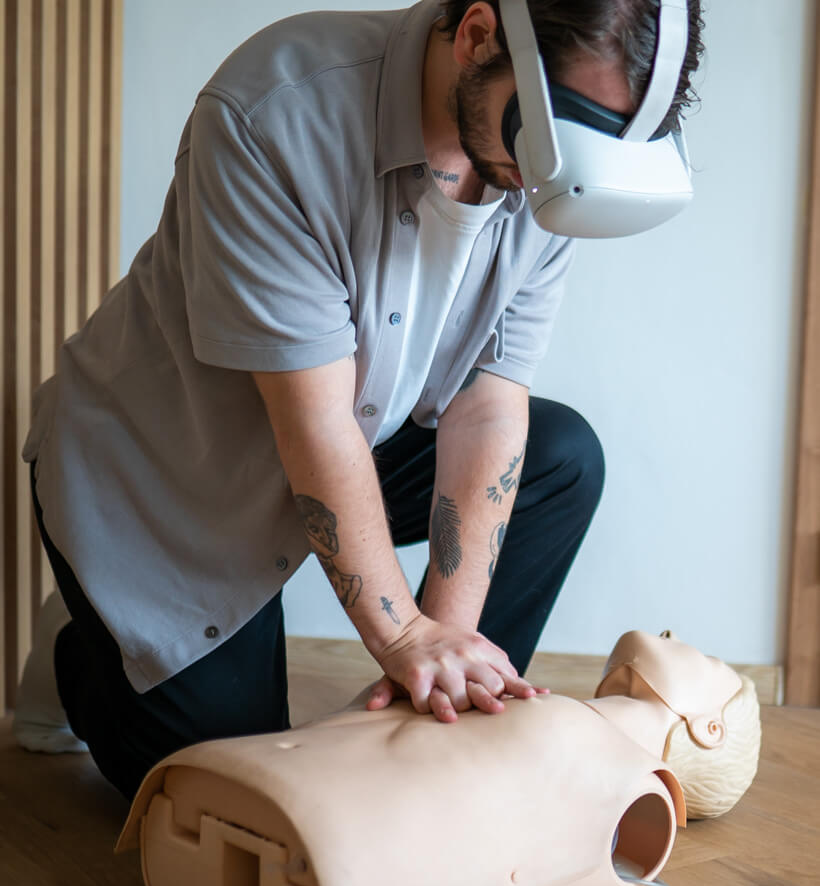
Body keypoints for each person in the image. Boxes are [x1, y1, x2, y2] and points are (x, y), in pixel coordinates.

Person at [13, 0, 703, 800]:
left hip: (350, 423)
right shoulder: (275, 115)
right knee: (231, 799)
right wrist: (400, 632)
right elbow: (315, 421)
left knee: (561, 458)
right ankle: (87, 641)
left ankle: (440, 722)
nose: (552, 173)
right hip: (160, 491)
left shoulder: (544, 163)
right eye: (553, 136)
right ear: (478, 35)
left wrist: (440, 646)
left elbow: (487, 402)